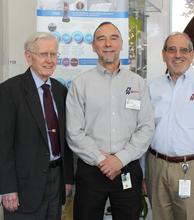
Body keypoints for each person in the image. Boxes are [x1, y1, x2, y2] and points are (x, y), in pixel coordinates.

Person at [66, 21, 155, 220]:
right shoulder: (80, 84)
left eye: (113, 38)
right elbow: (74, 131)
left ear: (121, 44)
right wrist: (101, 160)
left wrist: (120, 159)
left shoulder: (137, 83)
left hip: (127, 168)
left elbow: (146, 127)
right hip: (91, 169)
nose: (108, 43)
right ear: (93, 46)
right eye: (101, 39)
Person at [146, 32, 194, 220]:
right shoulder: (152, 87)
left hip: (193, 169)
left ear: (192, 54)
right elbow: (144, 131)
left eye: (183, 50)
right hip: (156, 166)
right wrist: (143, 173)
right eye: (171, 50)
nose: (177, 55)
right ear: (163, 55)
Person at [0, 32, 74, 220]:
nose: (49, 60)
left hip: (55, 183)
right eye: (43, 54)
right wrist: (7, 188)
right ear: (28, 56)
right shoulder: (9, 91)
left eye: (53, 54)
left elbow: (64, 140)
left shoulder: (60, 90)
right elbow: (3, 145)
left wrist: (66, 179)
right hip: (23, 188)